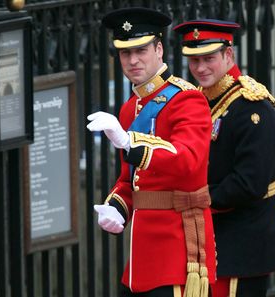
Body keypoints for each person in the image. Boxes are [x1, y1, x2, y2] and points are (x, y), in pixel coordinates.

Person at [86, 8, 216, 297]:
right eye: (125, 52)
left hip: (178, 245)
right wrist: (117, 207)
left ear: (159, 49)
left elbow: (187, 160)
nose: (133, 60)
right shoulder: (129, 108)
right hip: (140, 253)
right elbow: (129, 180)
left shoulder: (187, 99)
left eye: (141, 50)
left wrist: (130, 141)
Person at [173, 19, 275, 297]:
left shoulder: (253, 107)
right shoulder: (197, 100)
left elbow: (249, 183)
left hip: (243, 240)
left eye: (209, 58)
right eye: (194, 60)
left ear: (229, 55)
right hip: (206, 235)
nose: (200, 68)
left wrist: (194, 199)